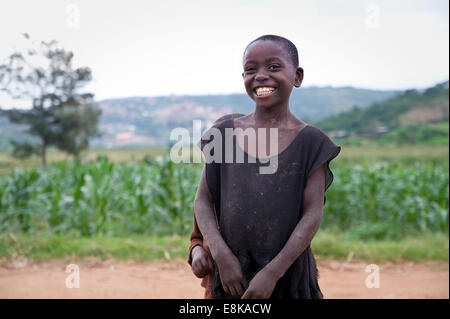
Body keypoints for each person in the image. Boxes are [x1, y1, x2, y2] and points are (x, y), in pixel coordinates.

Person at [192, 35, 341, 299]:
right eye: (251, 69)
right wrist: (221, 256)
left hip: (289, 276)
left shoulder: (312, 143)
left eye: (273, 67)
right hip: (231, 276)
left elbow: (311, 216)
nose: (261, 75)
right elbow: (203, 200)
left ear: (297, 76)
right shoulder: (223, 134)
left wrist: (272, 273)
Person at [188, 113, 245, 299]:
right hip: (215, 289)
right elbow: (196, 238)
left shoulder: (263, 196)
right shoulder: (206, 199)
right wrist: (196, 254)